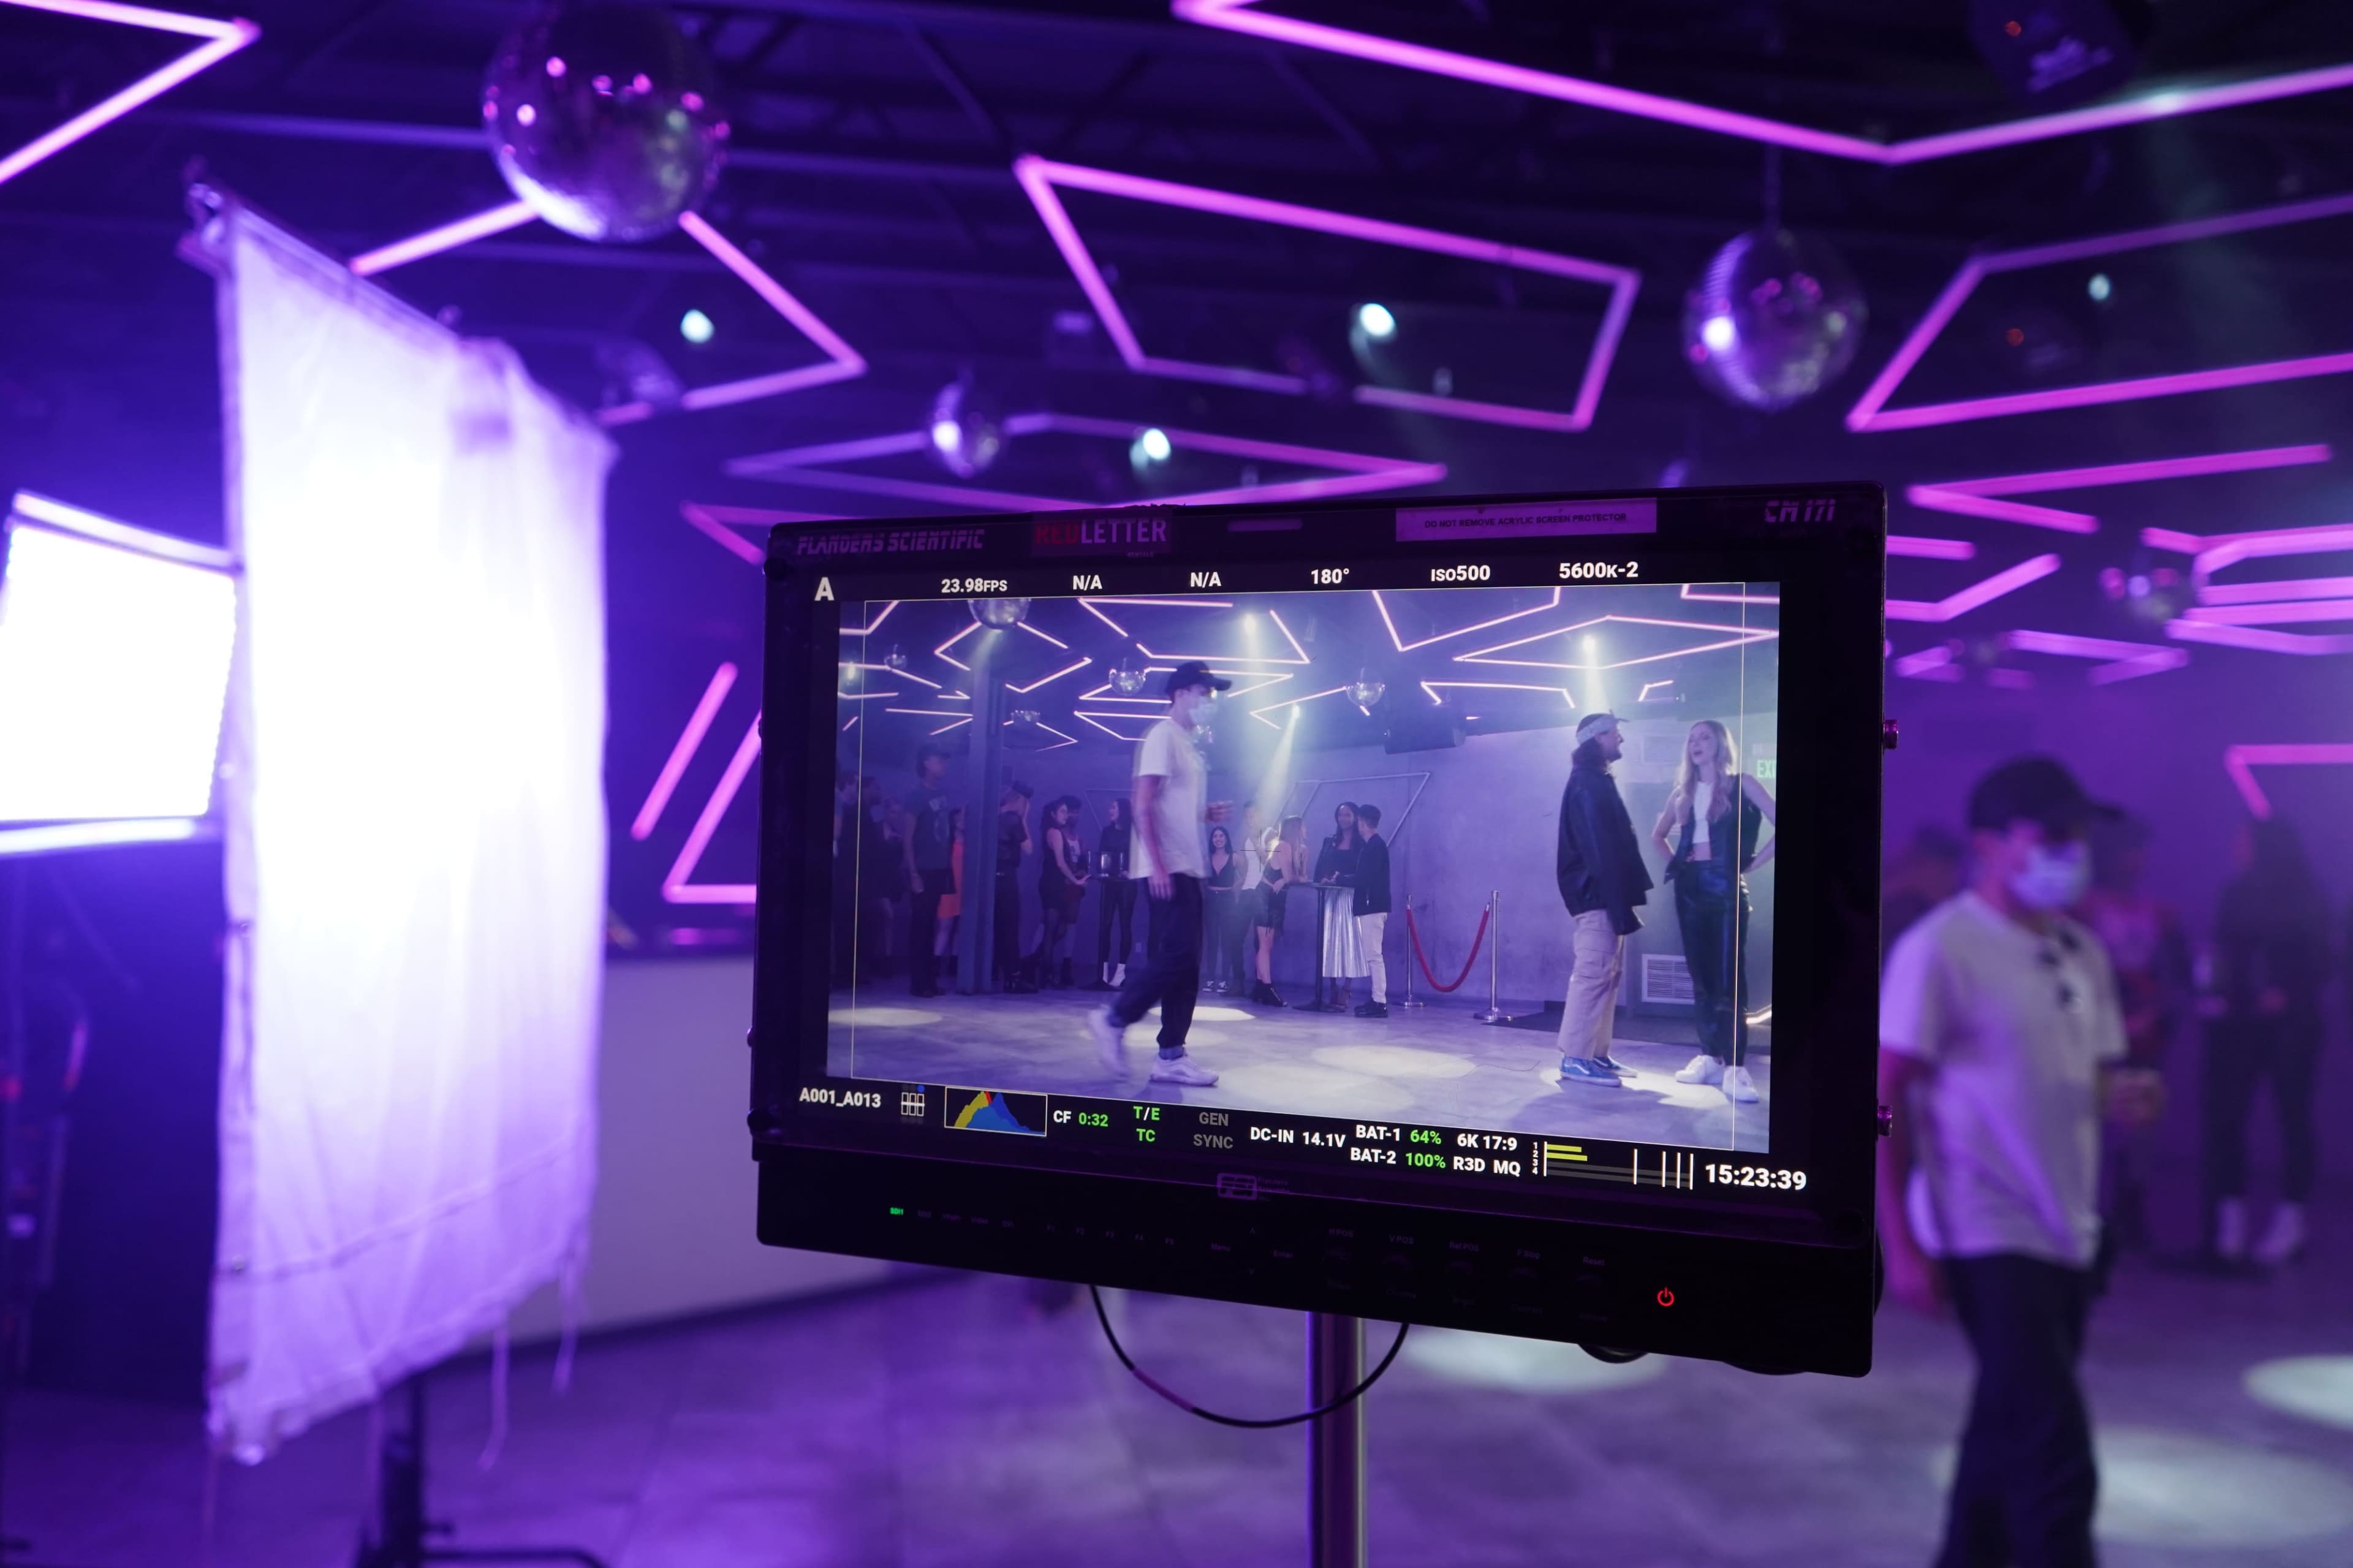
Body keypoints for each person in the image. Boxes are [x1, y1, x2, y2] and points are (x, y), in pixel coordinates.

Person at [1879, 756, 2164, 1568]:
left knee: (2005, 1426)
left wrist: (2129, 1096)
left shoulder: (2082, 949)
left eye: (2078, 835)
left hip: (2067, 1226)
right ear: (1990, 842)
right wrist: (1900, 1241)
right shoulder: (1942, 947)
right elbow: (1887, 1098)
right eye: (2050, 834)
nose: (2071, 851)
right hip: (1983, 1228)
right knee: (2055, 1456)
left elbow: (2100, 1074)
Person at [1088, 662, 1230, 1086]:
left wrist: (1204, 814)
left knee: (1187, 964)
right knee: (1177, 955)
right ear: (1182, 692)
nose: (1210, 700)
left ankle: (1171, 1055)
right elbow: (1142, 802)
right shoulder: (1161, 736)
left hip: (1189, 867)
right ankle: (1114, 1017)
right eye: (1205, 692)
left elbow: (1172, 805)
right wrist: (1158, 862)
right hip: (1167, 868)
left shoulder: (1188, 745)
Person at [2202, 815, 2328, 1268]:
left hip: (2291, 1024)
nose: (2236, 846)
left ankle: (2292, 1219)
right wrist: (2217, 992)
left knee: (2292, 1114)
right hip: (2240, 1020)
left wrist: (2289, 989)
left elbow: (2325, 954)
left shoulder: (2307, 898)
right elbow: (2221, 949)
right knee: (2226, 1114)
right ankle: (2228, 1219)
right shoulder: (2236, 894)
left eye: (2243, 839)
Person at [2075, 813, 2190, 1252]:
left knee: (2139, 1127)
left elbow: (2178, 977)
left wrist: (2154, 1013)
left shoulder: (2158, 913)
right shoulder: (2083, 909)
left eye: (2144, 851)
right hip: (2094, 1027)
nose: (2140, 859)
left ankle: (2130, 1212)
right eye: (2132, 849)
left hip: (2144, 1030)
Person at [1650, 719, 1776, 1104]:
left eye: (1704, 737)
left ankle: (1736, 1067)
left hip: (1726, 889)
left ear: (1720, 744)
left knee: (1728, 978)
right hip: (1690, 890)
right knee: (1701, 978)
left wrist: (1752, 865)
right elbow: (1658, 836)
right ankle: (1709, 1057)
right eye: (1691, 739)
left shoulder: (1743, 783)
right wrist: (1680, 861)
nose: (1696, 744)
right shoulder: (1682, 793)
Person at [1553, 713, 1652, 1086]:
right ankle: (1575, 1058)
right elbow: (1599, 849)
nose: (1621, 740)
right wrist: (1616, 901)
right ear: (1597, 739)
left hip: (1605, 894)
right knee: (1593, 975)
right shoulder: (1587, 783)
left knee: (1608, 978)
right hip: (1598, 896)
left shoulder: (1595, 780)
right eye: (1616, 734)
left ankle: (1596, 1054)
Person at [904, 744, 956, 998]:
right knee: (921, 926)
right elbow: (908, 838)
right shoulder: (916, 797)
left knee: (933, 925)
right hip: (923, 870)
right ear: (926, 763)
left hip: (939, 869)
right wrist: (913, 874)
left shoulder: (943, 794)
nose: (943, 766)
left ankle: (929, 981)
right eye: (939, 761)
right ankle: (919, 982)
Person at [1023, 795, 1090, 989]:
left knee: (1059, 929)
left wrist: (1076, 879)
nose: (1066, 814)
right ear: (1053, 815)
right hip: (1052, 884)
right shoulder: (1053, 832)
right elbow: (1060, 863)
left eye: (1066, 811)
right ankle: (1046, 972)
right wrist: (1076, 880)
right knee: (1052, 928)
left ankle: (1032, 963)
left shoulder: (1059, 833)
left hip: (1059, 885)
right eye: (1062, 811)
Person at [1884, 824, 1966, 966]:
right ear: (1921, 864)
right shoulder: (1896, 912)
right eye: (1944, 872)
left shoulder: (1938, 913)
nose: (1952, 881)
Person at [1315, 803, 1371, 1010]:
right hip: (1330, 895)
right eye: (1340, 814)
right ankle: (1331, 986)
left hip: (1351, 896)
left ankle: (1347, 986)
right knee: (1328, 942)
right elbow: (1320, 867)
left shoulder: (1362, 844)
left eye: (1347, 814)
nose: (1343, 818)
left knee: (1349, 943)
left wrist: (1344, 880)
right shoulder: (1329, 841)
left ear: (1356, 817)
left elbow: (1364, 873)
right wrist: (1323, 879)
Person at [1250, 815, 1308, 1007]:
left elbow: (1301, 876)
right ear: (1296, 829)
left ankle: (1260, 986)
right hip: (1266, 896)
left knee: (1267, 944)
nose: (1305, 830)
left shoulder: (1298, 850)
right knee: (1265, 944)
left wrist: (1289, 878)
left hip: (1277, 897)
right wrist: (1288, 879)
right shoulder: (1284, 846)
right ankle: (1267, 988)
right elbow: (1294, 877)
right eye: (1302, 827)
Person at [1091, 798, 1138, 990]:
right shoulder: (1107, 832)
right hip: (1109, 883)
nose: (1110, 810)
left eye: (1113, 807)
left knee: (1125, 925)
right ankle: (1101, 975)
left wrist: (1131, 871)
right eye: (1110, 807)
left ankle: (1120, 974)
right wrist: (1102, 870)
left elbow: (1140, 857)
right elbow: (1102, 855)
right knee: (1105, 925)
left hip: (1127, 885)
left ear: (1123, 811)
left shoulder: (1133, 833)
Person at [1353, 803, 1393, 1019]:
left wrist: (1340, 879)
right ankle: (1376, 998)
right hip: (1374, 906)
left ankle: (1379, 1001)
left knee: (1374, 956)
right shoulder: (1375, 846)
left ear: (1362, 822)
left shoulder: (1374, 847)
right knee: (1373, 955)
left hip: (1372, 907)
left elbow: (1365, 878)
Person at [994, 781, 1034, 992]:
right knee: (1010, 927)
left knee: (994, 928)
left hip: (989, 879)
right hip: (1007, 878)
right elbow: (1028, 848)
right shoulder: (1014, 819)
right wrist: (1024, 819)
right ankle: (1013, 977)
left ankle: (991, 971)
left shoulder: (993, 816)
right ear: (1020, 801)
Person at [1203, 825, 1245, 994]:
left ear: (1226, 839)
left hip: (1228, 901)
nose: (1218, 839)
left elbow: (1246, 875)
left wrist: (1234, 886)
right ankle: (1210, 978)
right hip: (1211, 900)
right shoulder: (1208, 858)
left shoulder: (1235, 858)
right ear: (1212, 840)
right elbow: (1202, 879)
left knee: (1227, 941)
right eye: (1215, 836)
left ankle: (1225, 981)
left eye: (1221, 836)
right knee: (1212, 941)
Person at [933, 806, 965, 980]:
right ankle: (936, 962)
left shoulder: (972, 841)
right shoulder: (947, 841)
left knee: (961, 926)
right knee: (945, 926)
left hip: (965, 888)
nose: (962, 821)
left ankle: (954, 960)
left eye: (964, 817)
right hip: (949, 887)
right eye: (959, 817)